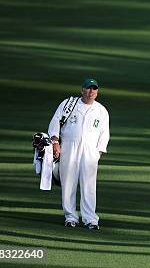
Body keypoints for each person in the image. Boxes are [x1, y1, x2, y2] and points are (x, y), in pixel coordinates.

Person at [48, 78, 110, 230]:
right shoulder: (69, 104)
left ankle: (90, 219)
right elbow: (55, 121)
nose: (91, 92)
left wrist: (99, 152)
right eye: (88, 88)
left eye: (94, 89)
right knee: (68, 182)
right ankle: (70, 217)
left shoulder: (101, 110)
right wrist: (55, 142)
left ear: (97, 92)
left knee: (89, 185)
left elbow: (104, 133)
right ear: (82, 90)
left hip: (90, 151)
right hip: (69, 147)